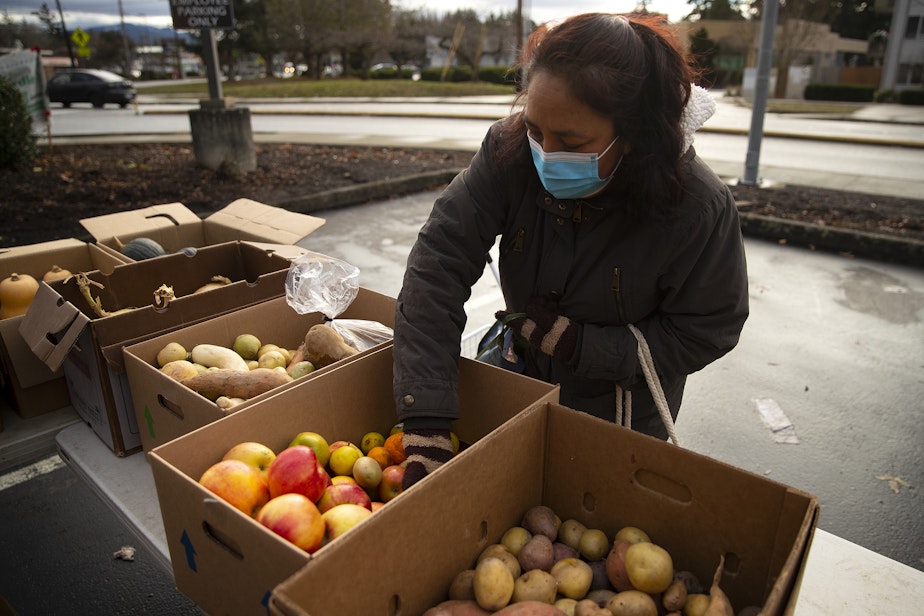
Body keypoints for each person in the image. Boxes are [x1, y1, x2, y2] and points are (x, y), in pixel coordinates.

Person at [393, 12, 749, 489]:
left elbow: (708, 329)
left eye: (572, 142)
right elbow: (438, 264)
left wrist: (586, 347)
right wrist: (427, 416)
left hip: (619, 417)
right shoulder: (510, 150)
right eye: (537, 129)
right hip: (520, 381)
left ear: (636, 133)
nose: (545, 153)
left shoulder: (696, 207)